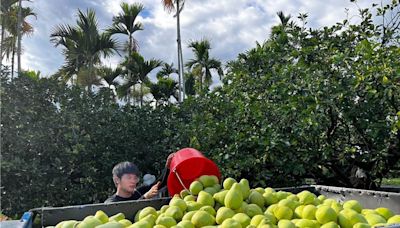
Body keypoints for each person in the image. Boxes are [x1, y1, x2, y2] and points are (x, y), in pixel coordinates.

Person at [105, 153, 174, 203]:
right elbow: (127, 212)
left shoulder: (138, 193)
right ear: (117, 180)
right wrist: (144, 197)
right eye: (129, 178)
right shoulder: (111, 203)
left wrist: (168, 168)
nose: (133, 181)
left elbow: (159, 184)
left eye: (135, 178)